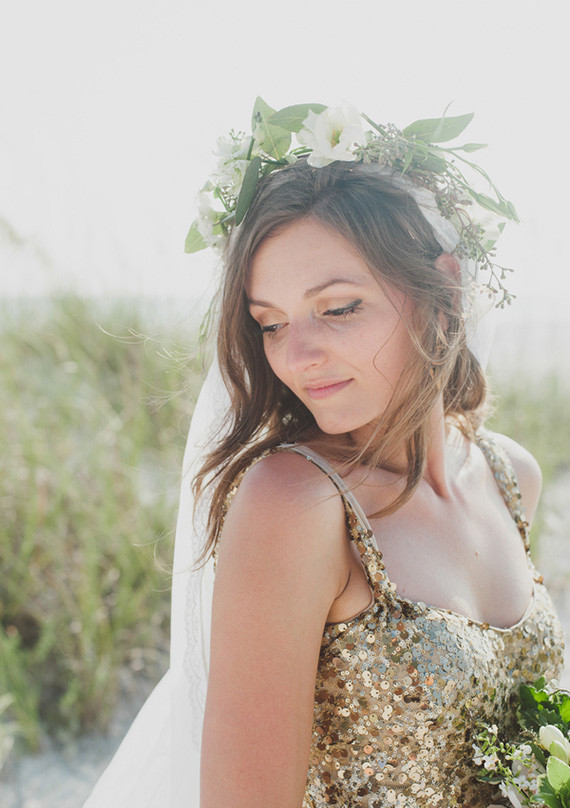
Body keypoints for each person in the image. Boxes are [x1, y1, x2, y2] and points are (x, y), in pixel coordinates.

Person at [84, 102, 564, 808]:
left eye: (338, 308)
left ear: (446, 289)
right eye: (271, 323)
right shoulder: (295, 503)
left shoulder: (510, 475)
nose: (298, 356)